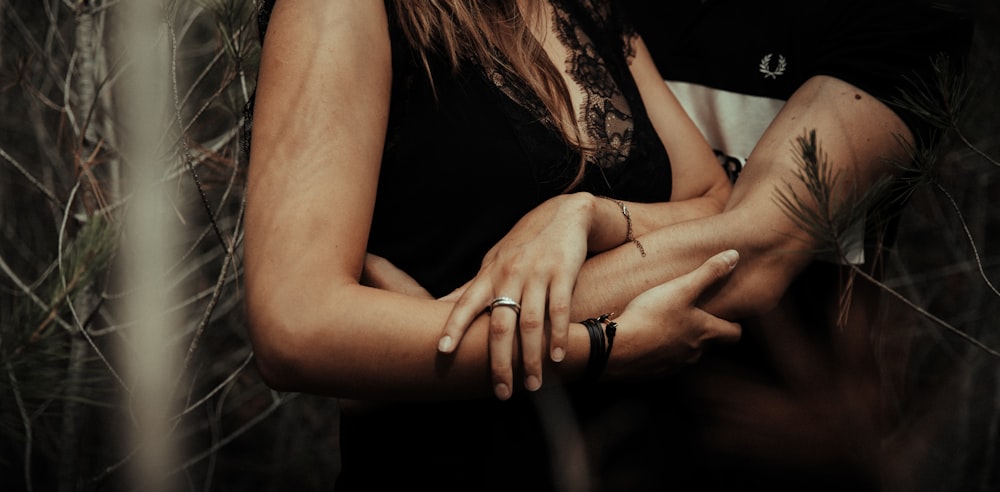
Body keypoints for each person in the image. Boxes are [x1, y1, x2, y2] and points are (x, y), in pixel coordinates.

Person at [428, 0, 973, 490]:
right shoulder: (579, 8)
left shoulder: (897, 19)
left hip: (763, 447)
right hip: (506, 438)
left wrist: (415, 337)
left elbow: (755, 253)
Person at [244, 0, 745, 490]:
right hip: (457, 466)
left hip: (640, 455)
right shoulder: (341, 8)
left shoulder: (589, 8)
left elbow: (715, 202)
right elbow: (295, 325)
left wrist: (589, 215)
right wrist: (600, 346)